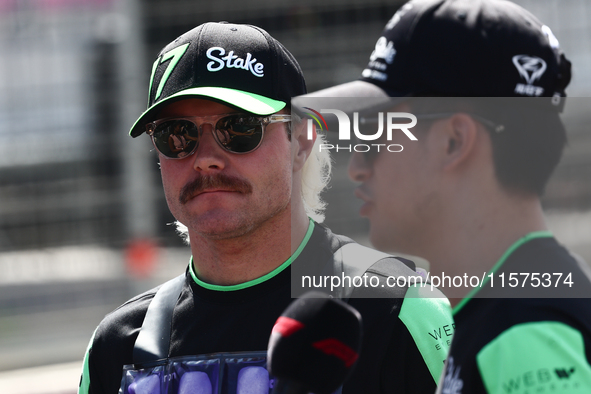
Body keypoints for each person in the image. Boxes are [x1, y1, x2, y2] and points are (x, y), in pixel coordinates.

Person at [77, 21, 453, 394]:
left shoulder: (397, 311)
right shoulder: (116, 347)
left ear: (301, 141)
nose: (206, 158)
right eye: (177, 134)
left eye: (239, 127)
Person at [297, 0, 591, 392]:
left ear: (454, 141)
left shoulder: (527, 332)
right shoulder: (505, 308)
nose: (356, 167)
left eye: (373, 132)